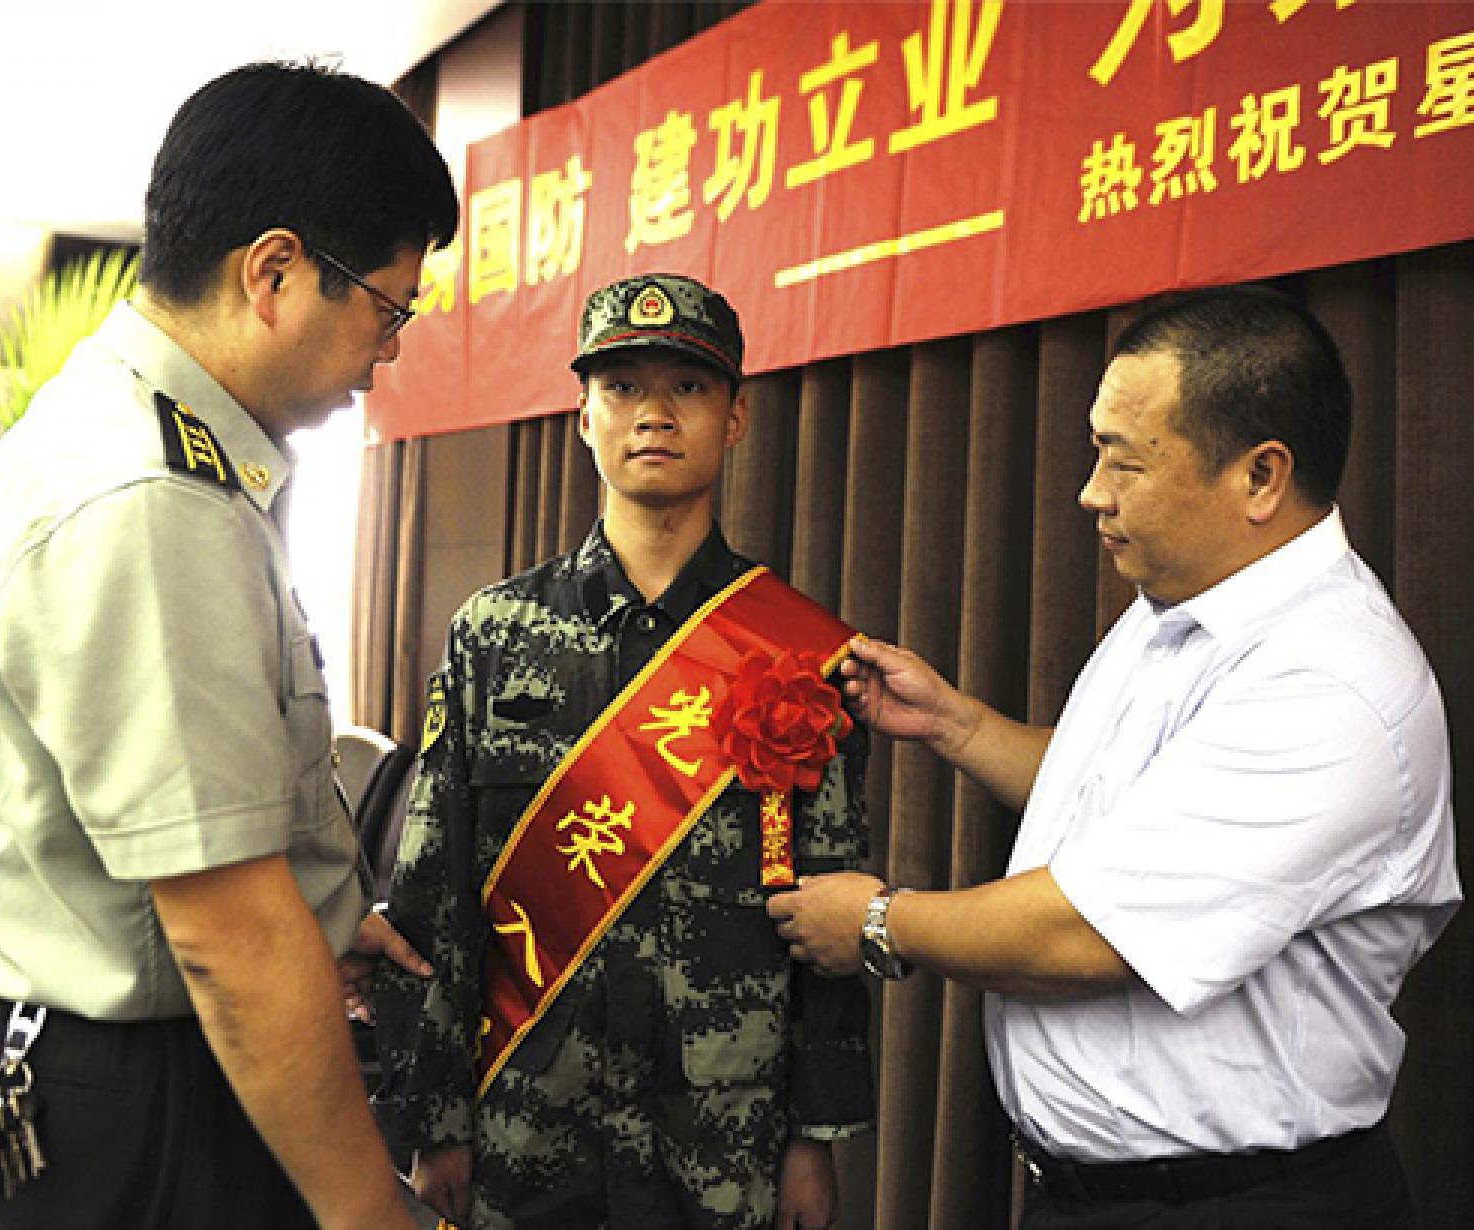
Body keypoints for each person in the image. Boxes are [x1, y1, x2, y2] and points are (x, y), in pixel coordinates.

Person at [767, 286, 1460, 1229]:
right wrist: (959, 726)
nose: (1092, 491)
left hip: (1239, 1207)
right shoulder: (1182, 601)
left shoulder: (1329, 681)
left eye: (1124, 461)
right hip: (1100, 1198)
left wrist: (881, 922)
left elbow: (1091, 936)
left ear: (1260, 477)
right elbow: (1130, 802)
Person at [0, 61, 457, 1230]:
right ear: (275, 273)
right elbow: (225, 933)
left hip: (117, 1060)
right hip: (119, 1094)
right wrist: (370, 1214)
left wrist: (326, 917)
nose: (389, 352)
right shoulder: (148, 497)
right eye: (388, 307)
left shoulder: (156, 448)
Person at [373, 273, 874, 1230]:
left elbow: (829, 914)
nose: (653, 413)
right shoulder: (495, 634)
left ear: (735, 417)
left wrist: (815, 1138)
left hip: (723, 1141)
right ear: (583, 416)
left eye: (687, 387)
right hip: (526, 1122)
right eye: (622, 387)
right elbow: (437, 892)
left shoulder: (799, 650)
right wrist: (432, 1119)